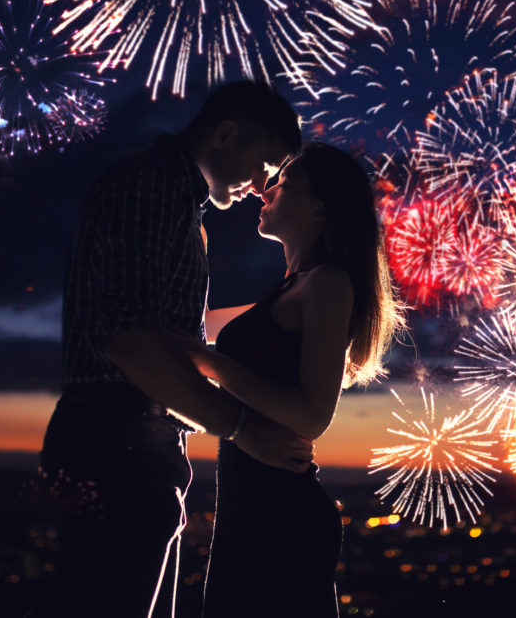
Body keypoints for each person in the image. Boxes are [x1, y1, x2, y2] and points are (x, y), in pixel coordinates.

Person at [41, 81, 312, 618]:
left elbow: (160, 332)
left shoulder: (175, 202)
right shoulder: (150, 186)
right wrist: (240, 427)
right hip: (116, 438)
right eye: (264, 166)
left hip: (125, 437)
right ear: (226, 134)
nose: (263, 187)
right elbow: (130, 339)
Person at [167, 143, 404, 617]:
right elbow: (189, 326)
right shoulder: (288, 289)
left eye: (284, 184)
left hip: (279, 516)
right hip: (249, 509)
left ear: (318, 209)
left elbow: (312, 416)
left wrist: (212, 364)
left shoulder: (328, 283)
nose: (266, 190)